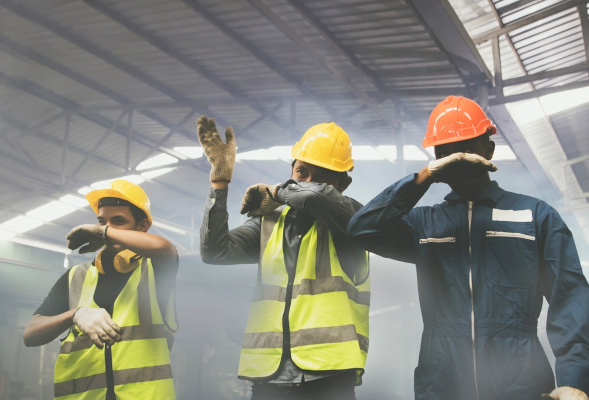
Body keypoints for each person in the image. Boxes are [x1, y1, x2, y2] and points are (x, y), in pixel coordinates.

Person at [346, 95, 589, 400]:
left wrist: (575, 380)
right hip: (443, 380)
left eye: (464, 149)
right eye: (445, 153)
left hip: (519, 382)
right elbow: (361, 229)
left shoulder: (534, 217)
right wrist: (423, 178)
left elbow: (571, 301)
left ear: (488, 148)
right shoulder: (424, 223)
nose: (455, 160)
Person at [196, 116, 370, 400]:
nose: (307, 182)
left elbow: (315, 198)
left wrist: (278, 191)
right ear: (291, 168)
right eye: (301, 172)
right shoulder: (269, 223)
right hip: (269, 379)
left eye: (323, 177)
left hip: (329, 379)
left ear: (343, 184)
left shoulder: (352, 219)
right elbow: (215, 252)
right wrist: (219, 182)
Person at [23, 179, 179, 400]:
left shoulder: (156, 271)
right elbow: (30, 334)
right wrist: (74, 315)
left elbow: (165, 248)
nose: (106, 227)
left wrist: (104, 233)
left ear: (142, 227)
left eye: (118, 221)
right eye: (101, 221)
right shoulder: (76, 277)